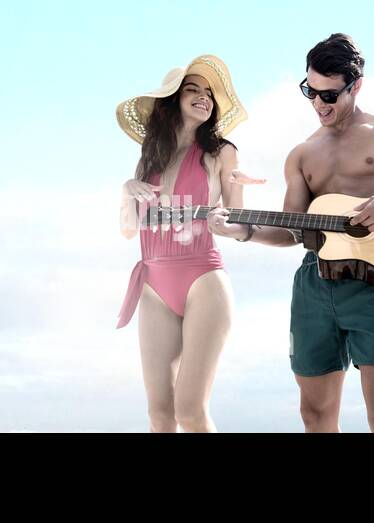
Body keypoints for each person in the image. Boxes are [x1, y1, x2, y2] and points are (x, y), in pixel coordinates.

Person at [210, 34, 374, 432]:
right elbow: (293, 231)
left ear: (355, 85)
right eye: (310, 91)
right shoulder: (302, 154)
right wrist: (243, 232)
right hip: (316, 283)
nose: (318, 104)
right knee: (314, 414)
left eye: (329, 95)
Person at [115, 55, 249, 433]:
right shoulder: (149, 156)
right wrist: (127, 190)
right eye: (193, 90)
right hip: (153, 284)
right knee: (159, 415)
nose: (204, 97)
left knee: (189, 412)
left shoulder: (222, 152)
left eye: (209, 93)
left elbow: (239, 223)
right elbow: (128, 229)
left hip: (203, 279)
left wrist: (231, 219)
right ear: (171, 101)